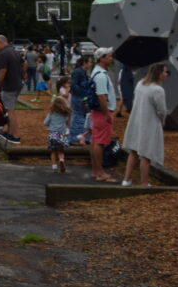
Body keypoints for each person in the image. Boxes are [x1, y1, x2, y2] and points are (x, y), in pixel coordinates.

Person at [121, 62, 169, 187]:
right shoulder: (158, 90)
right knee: (146, 154)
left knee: (133, 151)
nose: (166, 74)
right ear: (159, 73)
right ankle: (144, 182)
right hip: (149, 122)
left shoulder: (140, 84)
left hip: (137, 120)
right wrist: (162, 120)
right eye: (164, 71)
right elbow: (162, 110)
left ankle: (126, 179)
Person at [88, 48, 119, 183]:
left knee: (95, 140)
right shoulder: (101, 75)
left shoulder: (96, 72)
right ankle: (100, 173)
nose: (111, 58)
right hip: (102, 112)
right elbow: (101, 96)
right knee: (100, 142)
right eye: (109, 56)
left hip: (97, 112)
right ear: (102, 58)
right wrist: (107, 114)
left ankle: (96, 171)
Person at [0, 35, 23, 144]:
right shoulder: (15, 51)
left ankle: (14, 135)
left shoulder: (4, 54)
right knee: (11, 109)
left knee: (10, 111)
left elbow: (3, 71)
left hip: (9, 85)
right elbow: (24, 65)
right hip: (17, 83)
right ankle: (9, 132)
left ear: (0, 42)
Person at [69, 56, 93, 145]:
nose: (90, 64)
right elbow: (74, 85)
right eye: (89, 62)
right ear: (84, 63)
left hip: (80, 97)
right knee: (77, 117)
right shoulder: (78, 72)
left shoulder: (81, 72)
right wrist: (83, 93)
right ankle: (75, 138)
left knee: (80, 117)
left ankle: (80, 137)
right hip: (78, 97)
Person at [44, 96, 71, 174]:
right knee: (61, 151)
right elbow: (68, 123)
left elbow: (45, 122)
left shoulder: (51, 113)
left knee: (53, 151)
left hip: (53, 134)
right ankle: (62, 160)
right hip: (62, 134)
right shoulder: (66, 113)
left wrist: (50, 125)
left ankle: (54, 167)